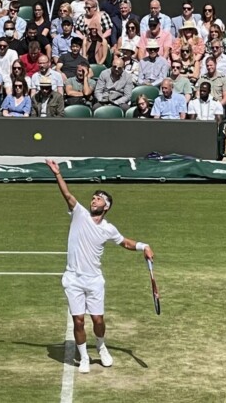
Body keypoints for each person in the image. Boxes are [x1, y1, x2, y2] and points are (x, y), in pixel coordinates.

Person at [44, 158, 154, 374]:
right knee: (78, 321)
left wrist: (144, 246)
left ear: (107, 206)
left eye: (98, 199)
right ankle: (84, 357)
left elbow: (125, 243)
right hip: (73, 278)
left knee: (98, 319)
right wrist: (57, 173)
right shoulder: (79, 213)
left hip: (94, 280)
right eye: (93, 198)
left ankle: (101, 346)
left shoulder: (108, 229)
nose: (94, 200)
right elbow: (67, 195)